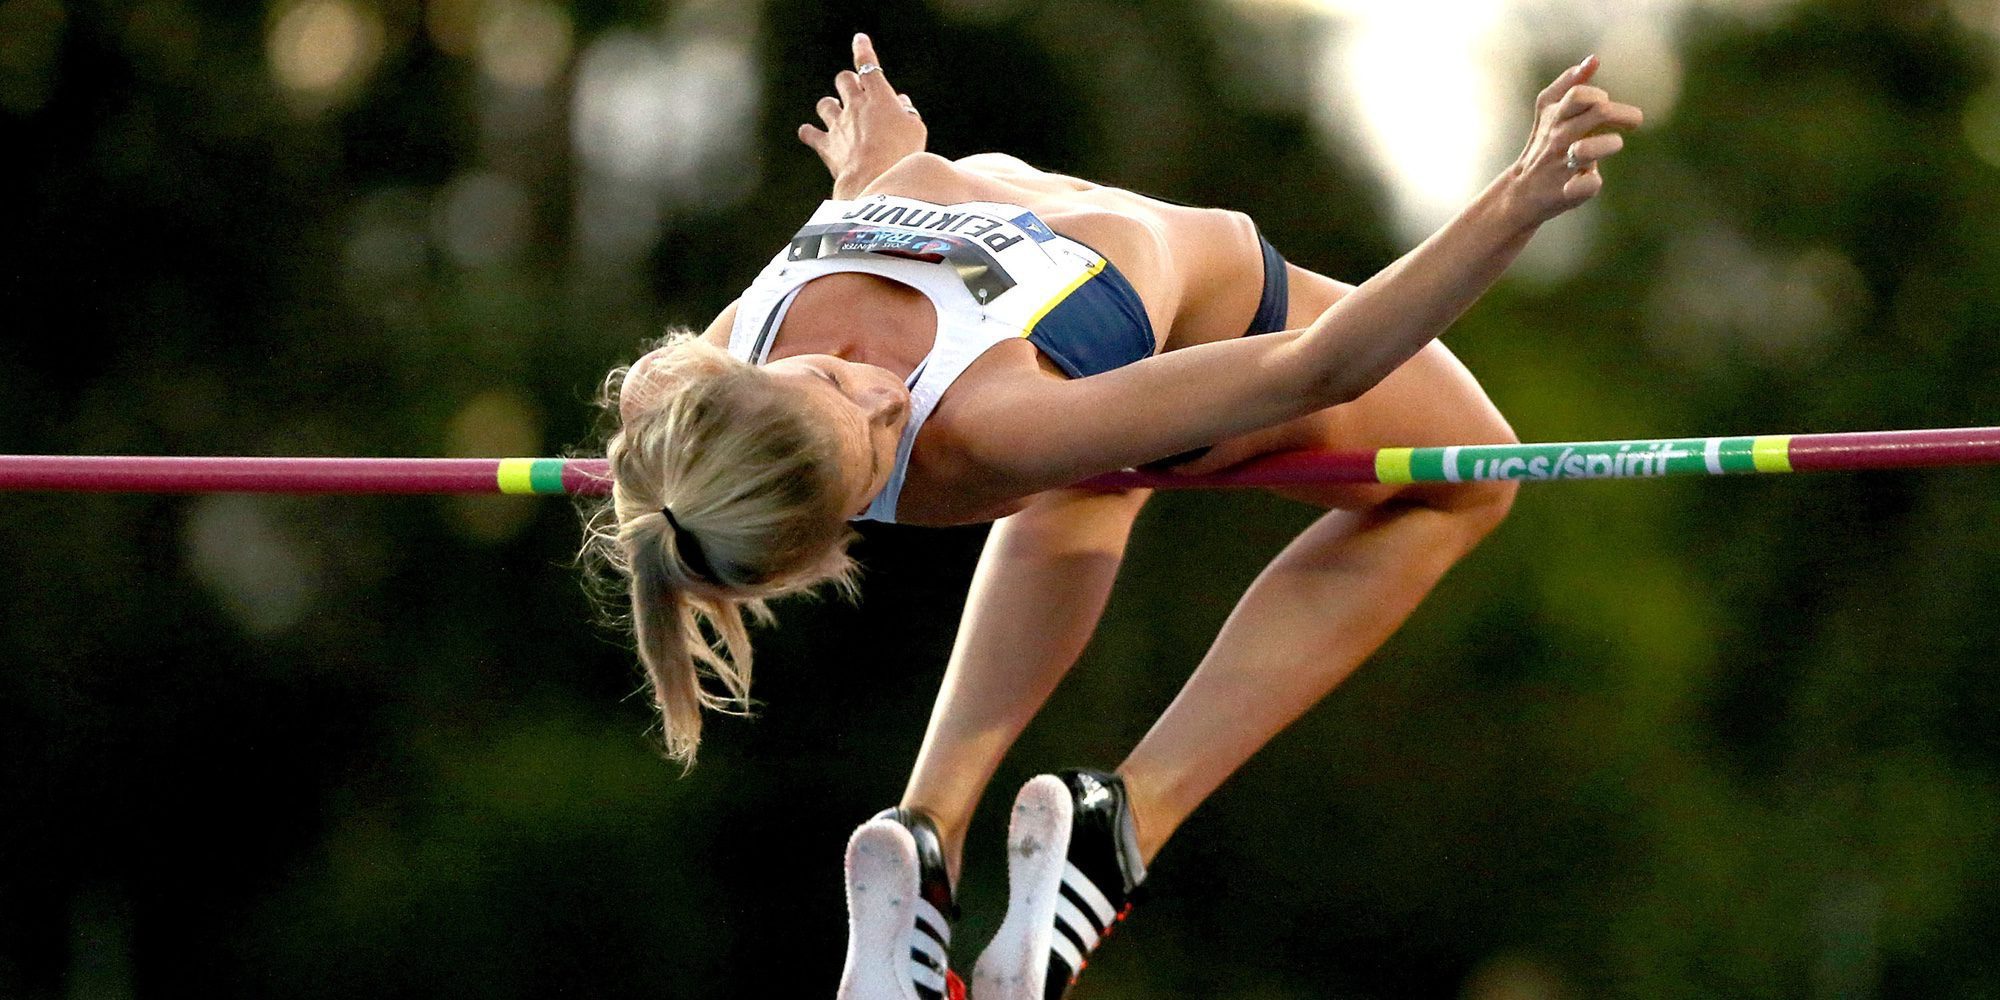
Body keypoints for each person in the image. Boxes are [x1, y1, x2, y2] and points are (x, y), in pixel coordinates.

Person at [579, 33, 1642, 1000]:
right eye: (873, 442)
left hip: (1060, 341)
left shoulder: (700, 391)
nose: (881, 390)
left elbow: (656, 440)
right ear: (856, 512)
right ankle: (1122, 825)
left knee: (1089, 478)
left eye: (836, 375)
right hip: (1212, 325)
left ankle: (924, 833)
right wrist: (1515, 197)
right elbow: (1320, 364)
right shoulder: (997, 423)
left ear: (743, 380)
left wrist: (869, 170)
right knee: (1470, 479)